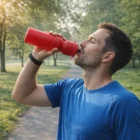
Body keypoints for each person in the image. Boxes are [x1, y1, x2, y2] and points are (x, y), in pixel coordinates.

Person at [12, 22, 140, 140]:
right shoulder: (69, 88)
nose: (82, 43)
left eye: (92, 41)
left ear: (107, 56)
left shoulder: (123, 103)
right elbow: (22, 95)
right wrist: (36, 57)